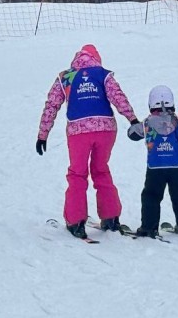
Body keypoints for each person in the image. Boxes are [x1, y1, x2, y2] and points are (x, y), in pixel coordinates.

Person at [36, 44, 140, 239]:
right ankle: (111, 218)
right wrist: (133, 120)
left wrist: (43, 134)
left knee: (77, 173)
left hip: (78, 131)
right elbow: (118, 97)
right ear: (96, 58)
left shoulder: (66, 77)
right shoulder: (103, 74)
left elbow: (51, 105)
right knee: (101, 170)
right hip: (106, 129)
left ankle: (75, 221)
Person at [128, 85, 178, 238]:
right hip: (176, 166)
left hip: (155, 167)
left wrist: (133, 126)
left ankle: (149, 227)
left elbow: (133, 134)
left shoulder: (147, 123)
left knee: (151, 195)